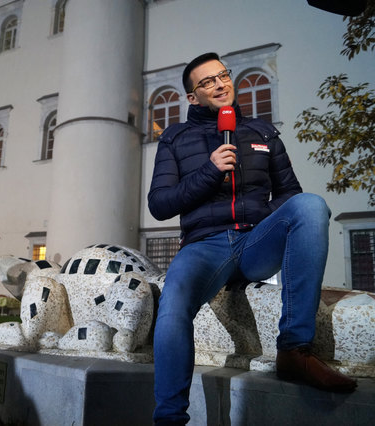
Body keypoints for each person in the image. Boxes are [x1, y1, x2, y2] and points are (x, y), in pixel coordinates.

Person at [147, 52, 357, 425]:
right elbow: (160, 204)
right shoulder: (175, 138)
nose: (220, 83)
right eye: (207, 81)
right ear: (192, 98)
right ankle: (169, 418)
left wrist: (262, 215)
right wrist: (210, 171)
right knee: (174, 302)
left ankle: (294, 349)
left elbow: (291, 193)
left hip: (257, 240)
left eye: (223, 75)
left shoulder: (262, 131)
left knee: (311, 206)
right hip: (204, 246)